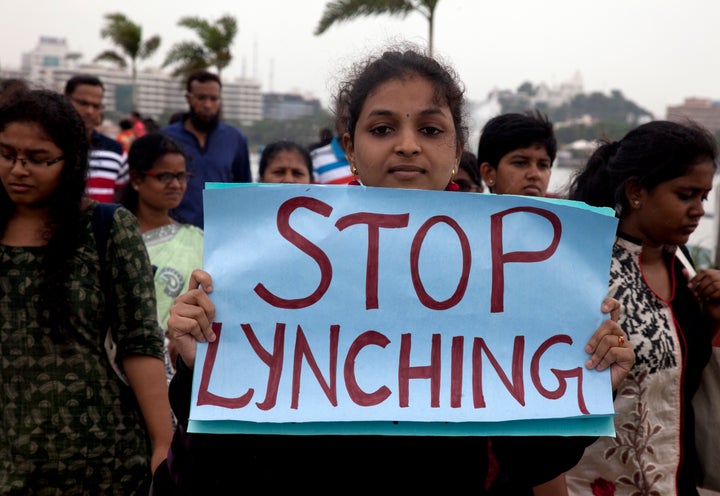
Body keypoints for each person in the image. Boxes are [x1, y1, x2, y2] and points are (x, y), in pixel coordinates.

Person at [154, 46, 634, 495]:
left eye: (430, 129)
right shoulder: (276, 259)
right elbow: (221, 462)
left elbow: (527, 462)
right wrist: (202, 368)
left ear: (456, 147)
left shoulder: (510, 273)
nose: (407, 145)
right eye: (382, 129)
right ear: (350, 146)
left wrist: (590, 382)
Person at [0, 89, 173, 494]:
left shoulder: (107, 228)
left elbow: (140, 344)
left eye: (40, 160)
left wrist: (163, 443)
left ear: (72, 160)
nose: (19, 169)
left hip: (103, 464)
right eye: (7, 154)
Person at [564, 120, 720, 496]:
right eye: (686, 195)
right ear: (636, 191)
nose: (698, 210)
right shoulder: (583, 273)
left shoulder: (684, 273)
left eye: (704, 196)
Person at [120, 133, 203, 380]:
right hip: (123, 363)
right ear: (136, 179)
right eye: (165, 177)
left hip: (180, 367)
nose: (176, 185)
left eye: (181, 176)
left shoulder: (196, 240)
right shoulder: (114, 237)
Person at [161, 70, 251, 229]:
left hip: (221, 234)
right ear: (188, 98)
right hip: (174, 233)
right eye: (201, 98)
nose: (208, 105)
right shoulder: (165, 139)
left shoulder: (235, 139)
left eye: (214, 99)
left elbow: (244, 192)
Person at [64, 74, 127, 203]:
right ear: (65, 99)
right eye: (83, 103)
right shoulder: (47, 146)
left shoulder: (116, 151)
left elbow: (122, 196)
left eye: (96, 106)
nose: (90, 111)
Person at [477, 110, 556, 197]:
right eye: (520, 163)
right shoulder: (464, 210)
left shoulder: (567, 210)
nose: (535, 174)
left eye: (543, 165)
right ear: (489, 173)